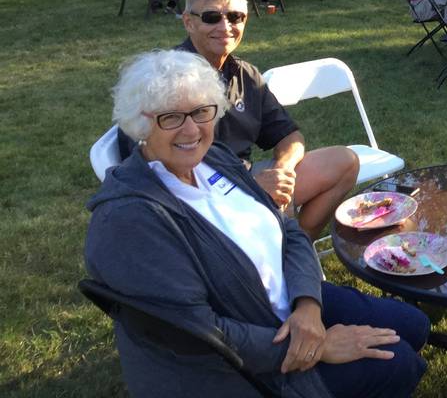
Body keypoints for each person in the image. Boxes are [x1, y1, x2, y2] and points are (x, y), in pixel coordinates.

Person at [86, 49, 428, 398]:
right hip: (235, 368)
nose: (191, 130)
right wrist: (318, 347)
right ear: (141, 123)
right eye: (171, 117)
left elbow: (289, 231)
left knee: (415, 325)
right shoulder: (128, 219)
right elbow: (196, 332)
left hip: (285, 302)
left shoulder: (214, 159)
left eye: (202, 112)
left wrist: (308, 306)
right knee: (398, 362)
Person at [118, 0, 359, 238]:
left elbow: (289, 135)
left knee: (344, 161)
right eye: (212, 17)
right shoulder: (163, 79)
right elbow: (158, 171)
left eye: (235, 17)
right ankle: (280, 246)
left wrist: (281, 171)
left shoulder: (245, 74)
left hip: (248, 180)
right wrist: (250, 187)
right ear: (189, 22)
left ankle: (294, 244)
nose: (226, 26)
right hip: (194, 199)